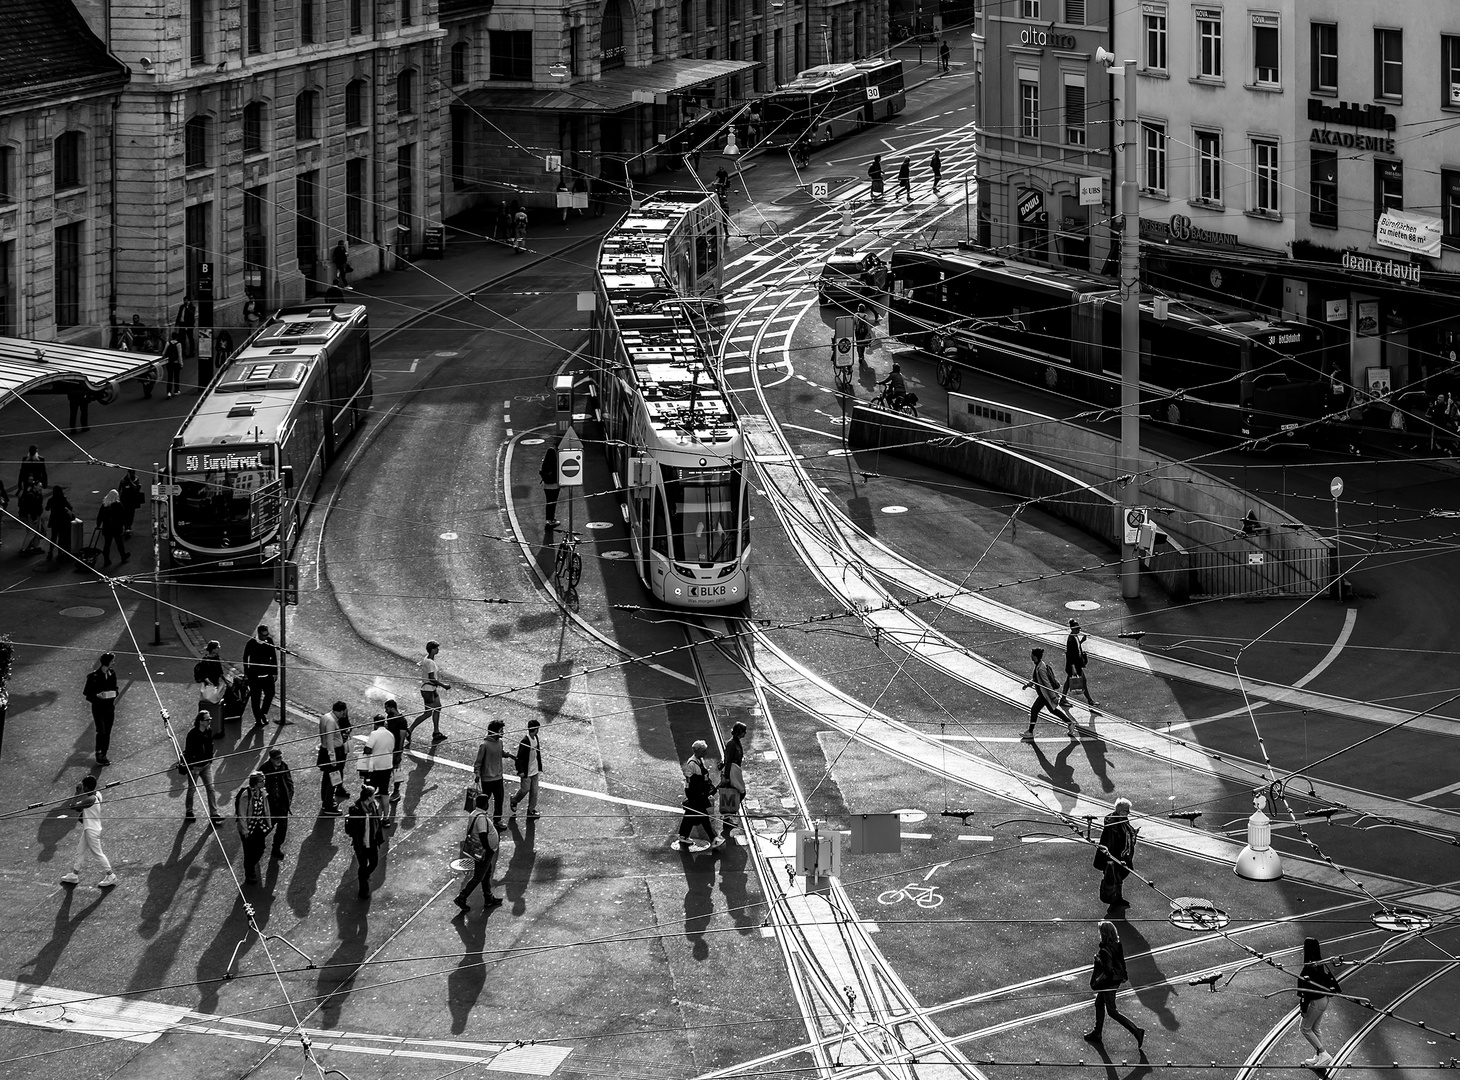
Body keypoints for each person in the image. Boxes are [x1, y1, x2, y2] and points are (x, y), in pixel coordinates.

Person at [1084, 920, 1144, 1048]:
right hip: (1116, 980)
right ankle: (1097, 1032)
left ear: (1104, 934)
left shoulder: (1105, 950)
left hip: (1108, 983)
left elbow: (1108, 970)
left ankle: (1136, 1030)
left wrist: (1098, 961)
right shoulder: (1117, 944)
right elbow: (1121, 962)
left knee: (1112, 1011)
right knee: (1099, 1003)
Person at [61, 776, 118, 889]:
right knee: (80, 850)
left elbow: (74, 807)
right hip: (91, 828)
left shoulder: (90, 799)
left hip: (91, 830)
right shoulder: (98, 794)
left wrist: (77, 793)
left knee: (98, 853)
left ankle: (111, 875)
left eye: (83, 787)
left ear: (86, 787)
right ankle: (74, 875)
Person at [454, 793, 503, 911]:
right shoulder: (481, 817)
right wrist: (488, 848)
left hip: (481, 850)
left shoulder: (474, 813)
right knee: (479, 876)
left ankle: (488, 898)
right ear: (485, 804)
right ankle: (462, 897)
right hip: (484, 851)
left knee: (486, 873)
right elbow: (482, 835)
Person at [1297, 937, 1341, 1069]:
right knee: (1315, 1028)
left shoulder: (1309, 967)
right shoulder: (1320, 963)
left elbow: (1306, 991)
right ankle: (1318, 1057)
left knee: (1304, 1028)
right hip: (1324, 1000)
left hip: (1316, 1002)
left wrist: (1303, 1008)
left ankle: (1323, 1054)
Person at [1022, 646, 1077, 741]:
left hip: (1044, 695)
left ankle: (1030, 732)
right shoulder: (1039, 665)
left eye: (1032, 655)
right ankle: (1069, 723)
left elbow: (1046, 684)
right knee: (1053, 710)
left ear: (1035, 656)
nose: (1030, 656)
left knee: (1034, 710)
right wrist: (1028, 684)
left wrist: (1053, 697)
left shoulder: (1041, 668)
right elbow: (1036, 679)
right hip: (1043, 694)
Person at [676, 740, 723, 850]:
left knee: (691, 814)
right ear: (697, 751)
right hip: (696, 796)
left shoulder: (699, 760)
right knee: (704, 817)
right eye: (703, 751)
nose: (705, 753)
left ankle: (683, 835)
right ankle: (713, 839)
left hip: (699, 795)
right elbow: (693, 782)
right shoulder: (692, 764)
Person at [1094, 797, 1138, 910]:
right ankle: (1114, 899)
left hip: (1120, 856)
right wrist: (1116, 859)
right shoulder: (1113, 824)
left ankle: (1116, 898)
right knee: (1114, 878)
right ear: (1119, 810)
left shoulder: (1120, 819)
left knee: (1117, 878)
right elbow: (1112, 843)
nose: (1128, 812)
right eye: (1126, 810)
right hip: (1114, 857)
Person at [182, 710, 224, 823]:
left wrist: (210, 759)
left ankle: (214, 814)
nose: (210, 721)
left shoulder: (208, 730)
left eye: (210, 718)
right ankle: (189, 811)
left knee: (211, 789)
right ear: (200, 721)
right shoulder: (192, 734)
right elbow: (189, 752)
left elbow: (210, 745)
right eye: (207, 719)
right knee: (192, 789)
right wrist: (191, 766)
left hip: (206, 766)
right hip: (195, 767)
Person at [345, 785, 384, 898]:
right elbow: (354, 830)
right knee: (362, 865)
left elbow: (377, 823)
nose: (375, 796)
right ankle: (363, 890)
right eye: (373, 795)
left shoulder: (372, 806)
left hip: (371, 841)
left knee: (374, 863)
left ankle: (363, 876)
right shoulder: (356, 810)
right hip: (361, 844)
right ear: (368, 797)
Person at [234, 771, 273, 885]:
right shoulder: (246, 795)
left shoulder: (262, 793)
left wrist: (269, 823)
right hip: (248, 828)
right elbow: (242, 814)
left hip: (258, 826)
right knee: (249, 852)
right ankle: (249, 874)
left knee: (261, 848)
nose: (264, 782)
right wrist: (244, 830)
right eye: (261, 781)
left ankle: (251, 865)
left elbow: (266, 809)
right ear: (255, 783)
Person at [83, 652, 120, 766]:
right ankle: (99, 753)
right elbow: (87, 693)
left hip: (109, 707)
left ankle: (104, 753)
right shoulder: (94, 676)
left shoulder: (112, 673)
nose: (113, 663)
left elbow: (115, 689)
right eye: (112, 661)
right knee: (101, 730)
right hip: (98, 708)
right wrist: (98, 696)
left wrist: (112, 694)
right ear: (107, 662)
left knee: (107, 731)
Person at [261, 746, 294, 860]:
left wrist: (288, 799)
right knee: (266, 827)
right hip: (270, 806)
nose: (279, 760)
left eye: (280, 758)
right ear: (271, 759)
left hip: (282, 805)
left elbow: (290, 784)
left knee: (282, 827)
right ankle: (259, 844)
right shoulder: (264, 769)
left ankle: (276, 847)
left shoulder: (284, 767)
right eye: (276, 758)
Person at [241, 624, 278, 727]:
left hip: (267, 674)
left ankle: (263, 713)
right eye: (264, 635)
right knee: (255, 699)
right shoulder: (251, 643)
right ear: (259, 634)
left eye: (267, 635)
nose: (266, 637)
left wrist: (275, 672)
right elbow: (245, 658)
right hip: (255, 677)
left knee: (270, 694)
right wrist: (247, 673)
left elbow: (273, 657)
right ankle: (258, 719)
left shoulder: (269, 641)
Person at [318, 700, 351, 814]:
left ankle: (326, 801)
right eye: (343, 712)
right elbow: (330, 741)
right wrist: (333, 759)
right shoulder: (332, 721)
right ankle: (328, 806)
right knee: (332, 780)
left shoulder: (325, 717)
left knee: (327, 778)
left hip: (325, 751)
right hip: (332, 753)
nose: (344, 714)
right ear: (340, 711)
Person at [474, 719, 507, 829]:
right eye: (501, 730)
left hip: (498, 777)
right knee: (484, 801)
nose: (503, 732)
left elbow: (500, 753)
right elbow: (478, 762)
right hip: (487, 779)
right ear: (495, 731)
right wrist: (477, 775)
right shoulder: (485, 745)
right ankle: (479, 820)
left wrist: (509, 755)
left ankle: (497, 820)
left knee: (499, 799)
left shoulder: (500, 743)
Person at [416, 640, 450, 742]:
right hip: (428, 690)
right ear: (432, 649)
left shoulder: (428, 658)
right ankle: (410, 729)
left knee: (438, 707)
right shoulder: (430, 662)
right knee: (427, 713)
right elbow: (431, 678)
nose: (438, 649)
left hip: (432, 689)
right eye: (436, 648)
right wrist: (443, 685)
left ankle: (436, 732)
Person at [718, 721, 747, 843]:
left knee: (735, 791)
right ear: (739, 732)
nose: (745, 734)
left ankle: (729, 815)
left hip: (735, 770)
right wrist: (727, 775)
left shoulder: (736, 742)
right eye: (743, 731)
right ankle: (727, 815)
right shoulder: (731, 744)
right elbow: (728, 760)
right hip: (732, 771)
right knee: (739, 791)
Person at [509, 718, 543, 821]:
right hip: (527, 771)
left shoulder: (535, 738)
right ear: (535, 729)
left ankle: (531, 810)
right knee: (525, 789)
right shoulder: (525, 741)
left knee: (534, 791)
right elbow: (519, 757)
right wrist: (520, 771)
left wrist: (539, 766)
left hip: (534, 769)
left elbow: (537, 753)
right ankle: (514, 800)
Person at [382, 698, 411, 820]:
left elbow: (402, 736)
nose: (385, 710)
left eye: (387, 708)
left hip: (396, 749)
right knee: (388, 769)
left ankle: (396, 791)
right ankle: (385, 790)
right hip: (388, 748)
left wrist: (399, 752)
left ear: (392, 707)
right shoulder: (389, 717)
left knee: (397, 770)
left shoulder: (401, 721)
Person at [1061, 618, 1098, 707]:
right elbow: (1070, 654)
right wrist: (1073, 667)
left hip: (1075, 665)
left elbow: (1076, 648)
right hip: (1074, 666)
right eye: (1077, 628)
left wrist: (1082, 641)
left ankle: (1063, 699)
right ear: (1072, 628)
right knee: (1083, 681)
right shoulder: (1071, 640)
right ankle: (1090, 701)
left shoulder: (1075, 637)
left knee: (1068, 682)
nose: (1079, 630)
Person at [362, 714, 396, 806]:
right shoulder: (390, 735)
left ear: (375, 724)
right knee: (384, 792)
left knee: (369, 790)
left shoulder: (374, 734)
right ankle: (385, 816)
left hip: (375, 767)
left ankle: (369, 811)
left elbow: (367, 750)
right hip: (387, 766)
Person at [194, 640, 226, 737]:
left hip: (215, 684)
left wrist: (225, 681)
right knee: (212, 701)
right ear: (212, 649)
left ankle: (219, 726)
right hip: (210, 685)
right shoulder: (206, 660)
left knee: (217, 701)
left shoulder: (216, 658)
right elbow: (203, 674)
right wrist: (208, 682)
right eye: (217, 647)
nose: (219, 649)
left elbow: (220, 672)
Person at [97, 489, 129, 567]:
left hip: (106, 528)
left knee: (107, 544)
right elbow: (123, 515)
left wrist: (98, 524)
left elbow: (99, 516)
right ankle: (123, 556)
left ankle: (106, 560)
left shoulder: (104, 505)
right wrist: (125, 526)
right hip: (116, 528)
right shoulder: (118, 505)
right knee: (119, 543)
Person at [44, 485, 74, 567]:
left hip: (54, 520)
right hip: (62, 520)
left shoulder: (51, 500)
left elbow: (47, 508)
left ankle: (50, 553)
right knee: (61, 537)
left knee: (53, 537)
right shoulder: (63, 499)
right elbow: (70, 508)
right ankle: (60, 553)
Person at [18, 478, 45, 554]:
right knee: (31, 532)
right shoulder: (31, 495)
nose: (41, 487)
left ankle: (36, 546)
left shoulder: (36, 494)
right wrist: (34, 518)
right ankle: (24, 549)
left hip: (37, 515)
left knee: (36, 532)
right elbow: (31, 508)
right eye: (39, 486)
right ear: (35, 486)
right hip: (33, 516)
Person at [117, 469, 145, 537]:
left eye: (133, 473)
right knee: (125, 514)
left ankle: (129, 526)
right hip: (125, 500)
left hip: (132, 500)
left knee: (131, 514)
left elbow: (135, 487)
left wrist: (129, 480)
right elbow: (119, 489)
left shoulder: (136, 479)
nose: (133, 474)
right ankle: (126, 527)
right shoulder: (123, 480)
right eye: (131, 473)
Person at [540, 444, 561, 527]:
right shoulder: (556, 463)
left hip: (546, 487)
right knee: (553, 503)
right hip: (555, 487)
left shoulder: (545, 464)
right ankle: (552, 519)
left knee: (548, 503)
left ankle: (548, 520)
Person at [162, 332, 184, 397]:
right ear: (177, 337)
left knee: (170, 377)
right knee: (176, 377)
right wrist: (181, 363)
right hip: (176, 363)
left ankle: (169, 392)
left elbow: (163, 353)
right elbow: (179, 355)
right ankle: (176, 390)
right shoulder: (179, 344)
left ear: (171, 336)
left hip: (169, 363)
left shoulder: (168, 343)